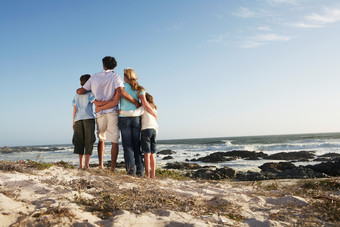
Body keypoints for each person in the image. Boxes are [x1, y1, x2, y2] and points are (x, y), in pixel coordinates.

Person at [76, 57, 140, 171]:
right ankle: (112, 167)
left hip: (99, 112)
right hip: (112, 112)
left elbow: (82, 90)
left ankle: (101, 165)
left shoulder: (94, 76)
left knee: (101, 139)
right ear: (114, 66)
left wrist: (80, 92)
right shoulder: (115, 76)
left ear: (103, 65)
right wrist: (135, 101)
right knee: (114, 140)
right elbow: (121, 91)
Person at [96, 68, 156, 176]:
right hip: (136, 119)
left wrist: (101, 106)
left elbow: (115, 101)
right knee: (136, 146)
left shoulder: (121, 87)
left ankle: (131, 171)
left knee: (127, 146)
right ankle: (140, 172)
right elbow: (145, 104)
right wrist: (154, 114)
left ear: (125, 77)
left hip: (124, 117)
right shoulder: (140, 89)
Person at [119, 93, 158, 178]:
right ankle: (153, 175)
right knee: (153, 154)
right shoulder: (155, 109)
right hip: (154, 131)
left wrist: (122, 112)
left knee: (147, 154)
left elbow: (134, 113)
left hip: (145, 131)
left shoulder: (144, 107)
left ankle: (147, 174)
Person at [72, 74, 96, 169]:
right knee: (89, 141)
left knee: (79, 142)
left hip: (78, 119)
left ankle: (81, 165)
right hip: (88, 118)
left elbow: (74, 109)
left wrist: (73, 121)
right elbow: (96, 103)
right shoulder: (91, 93)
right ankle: (87, 165)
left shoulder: (77, 94)